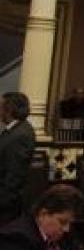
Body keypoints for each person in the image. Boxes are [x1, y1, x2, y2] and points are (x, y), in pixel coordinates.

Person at [0, 184, 83, 250]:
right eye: (62, 222)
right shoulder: (15, 237)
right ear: (44, 214)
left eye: (70, 223)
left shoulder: (63, 235)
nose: (67, 229)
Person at [0, 93, 36, 225]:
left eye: (1, 106)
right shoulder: (14, 130)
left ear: (8, 109)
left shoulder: (20, 134)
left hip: (6, 206)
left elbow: (15, 175)